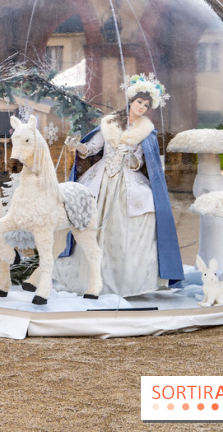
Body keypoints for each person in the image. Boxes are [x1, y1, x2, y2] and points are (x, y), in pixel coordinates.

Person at [55, 73, 184, 297]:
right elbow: (92, 149)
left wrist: (130, 158)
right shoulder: (110, 124)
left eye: (146, 105)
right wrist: (77, 145)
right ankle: (90, 277)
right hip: (101, 178)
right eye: (139, 102)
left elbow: (141, 164)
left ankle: (128, 280)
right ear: (131, 101)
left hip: (127, 182)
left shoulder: (146, 133)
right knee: (90, 219)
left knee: (138, 214)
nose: (142, 107)